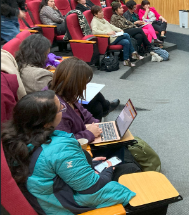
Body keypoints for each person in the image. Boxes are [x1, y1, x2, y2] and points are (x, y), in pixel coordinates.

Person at [1, 90, 136, 215]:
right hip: (62, 206)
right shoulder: (59, 148)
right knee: (130, 169)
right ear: (46, 123)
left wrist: (86, 164)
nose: (62, 109)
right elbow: (92, 188)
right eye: (60, 108)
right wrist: (107, 169)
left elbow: (50, 168)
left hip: (46, 201)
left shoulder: (17, 138)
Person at [15, 34, 120, 120]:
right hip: (49, 108)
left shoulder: (22, 64)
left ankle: (105, 110)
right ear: (39, 55)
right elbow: (59, 93)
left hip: (39, 103)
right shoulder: (39, 75)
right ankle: (103, 115)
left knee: (93, 97)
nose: (47, 57)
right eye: (46, 54)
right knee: (95, 104)